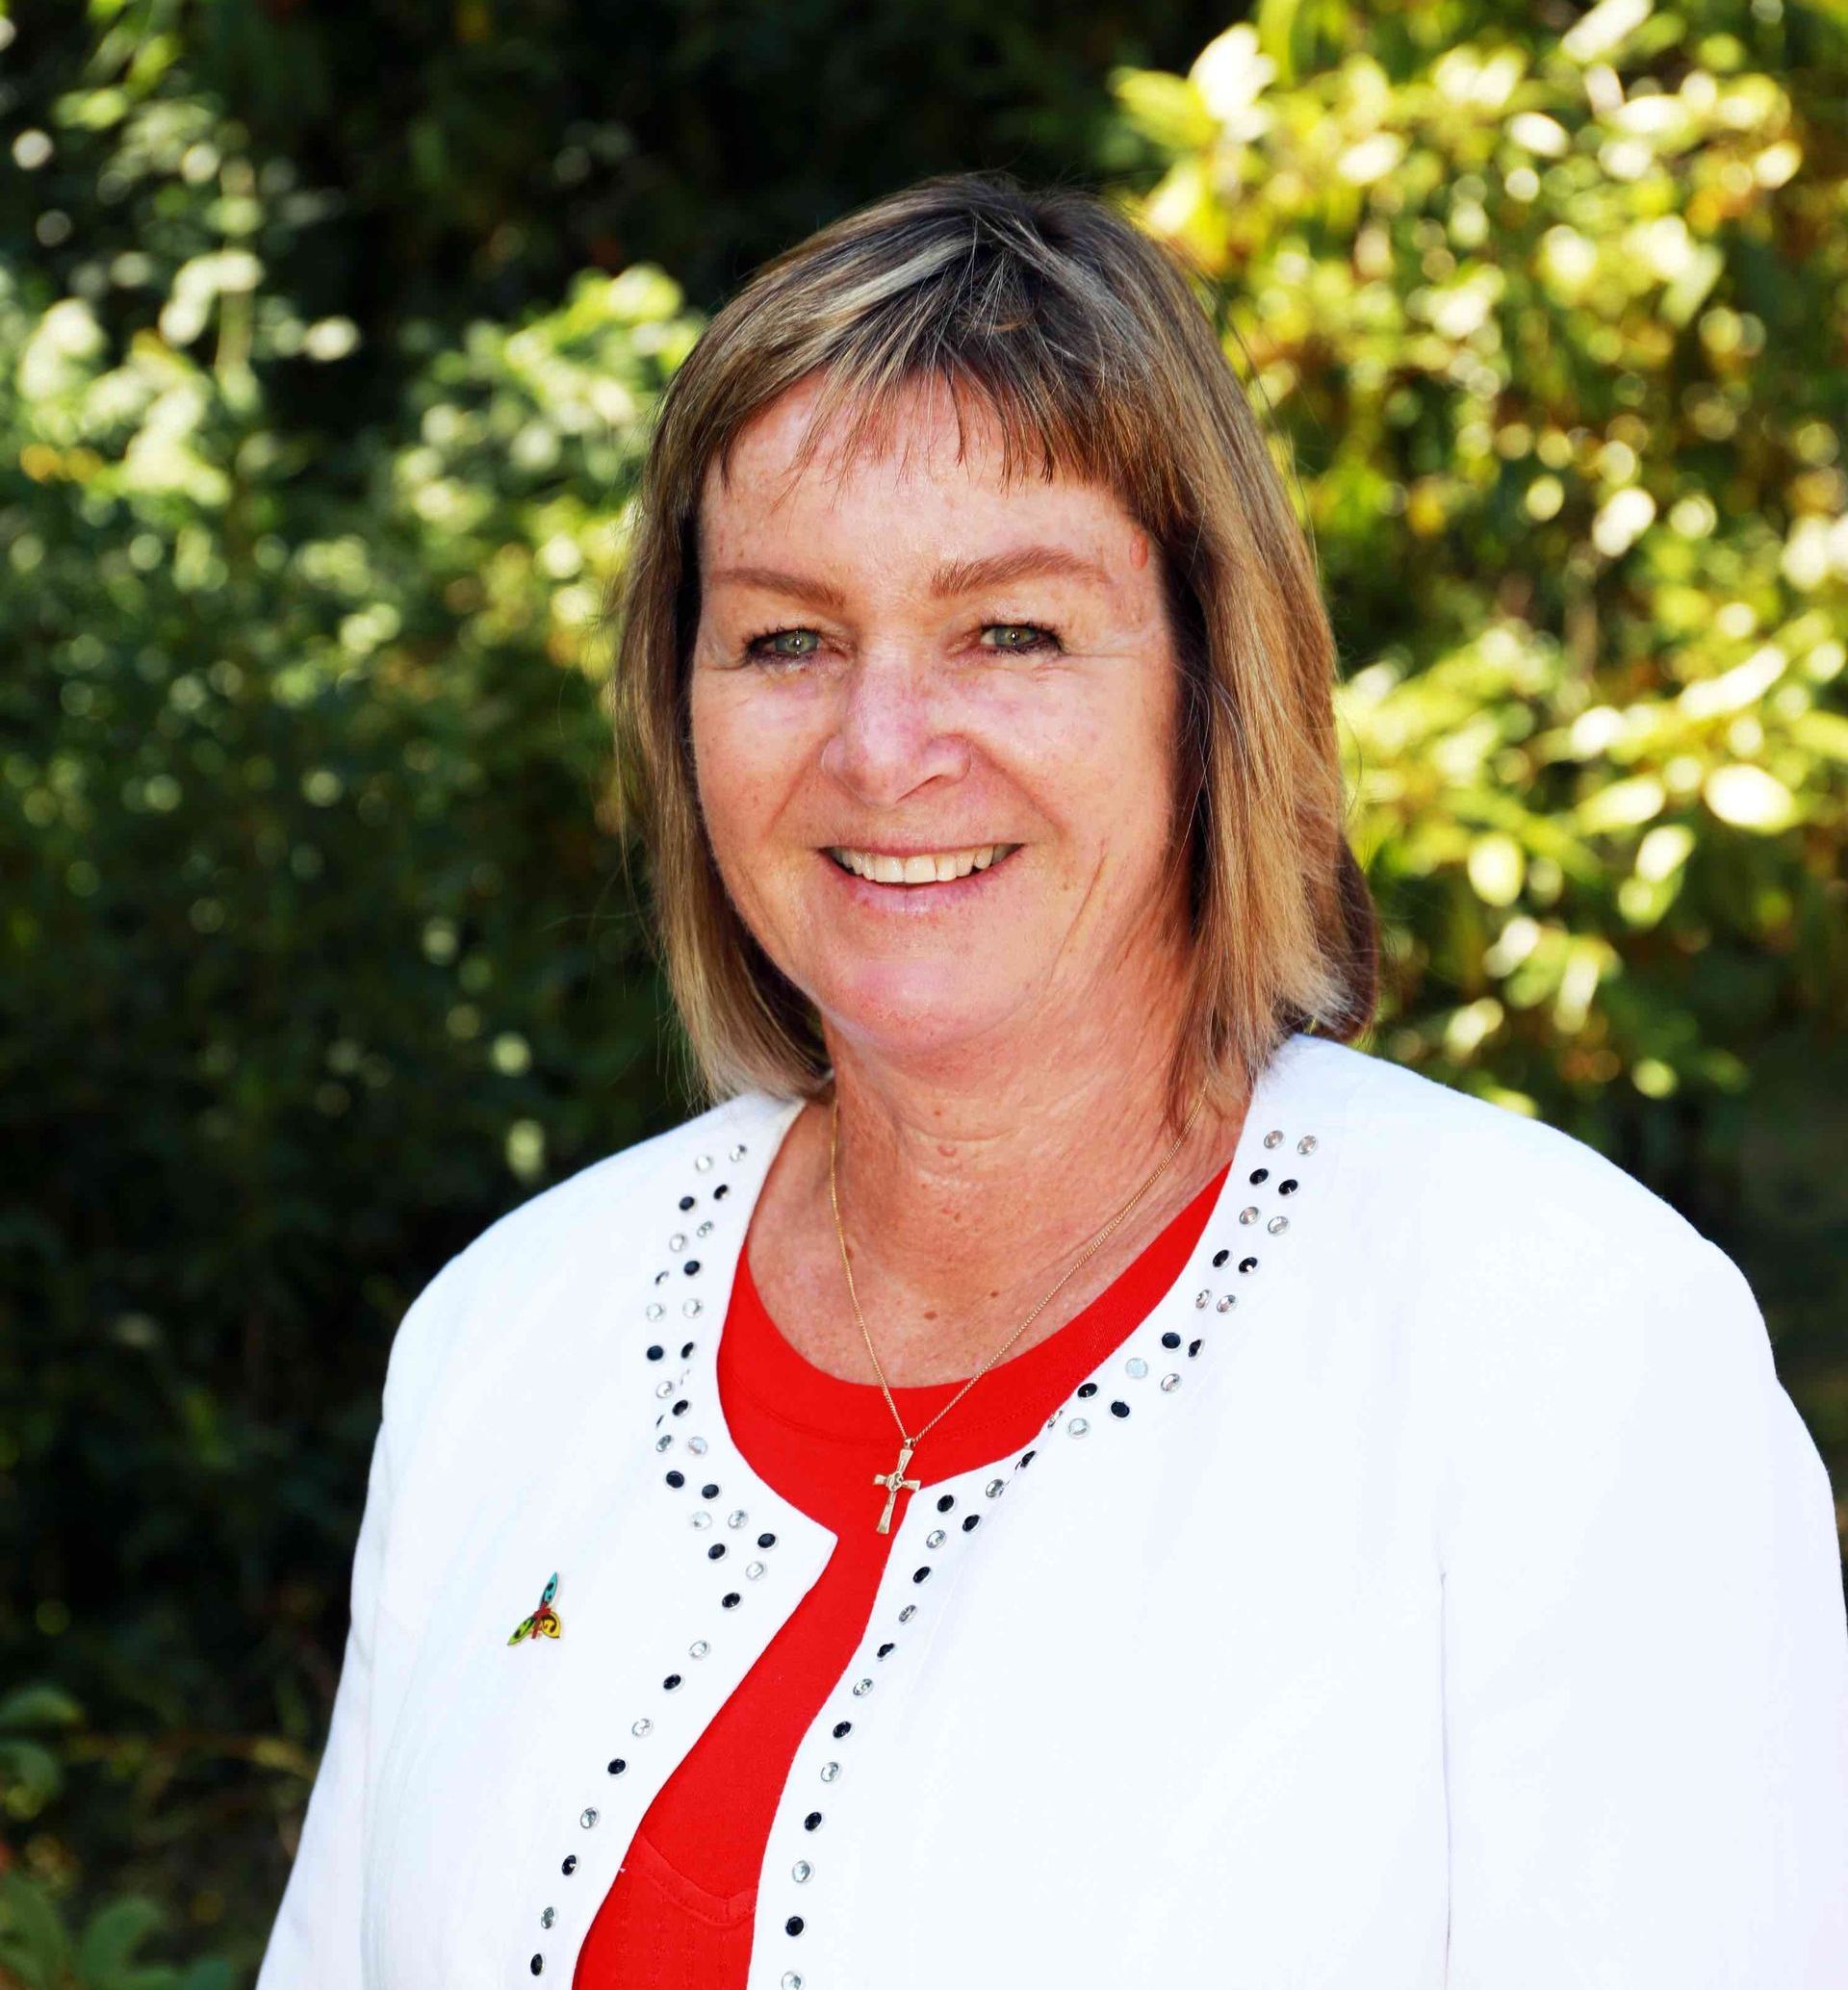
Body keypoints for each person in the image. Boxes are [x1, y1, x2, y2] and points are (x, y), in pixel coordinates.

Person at [253, 171, 1848, 1990]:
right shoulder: (504, 1336)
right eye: (785, 637)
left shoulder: (1563, 1346)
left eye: (1009, 631)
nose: (883, 749)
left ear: (1211, 690)